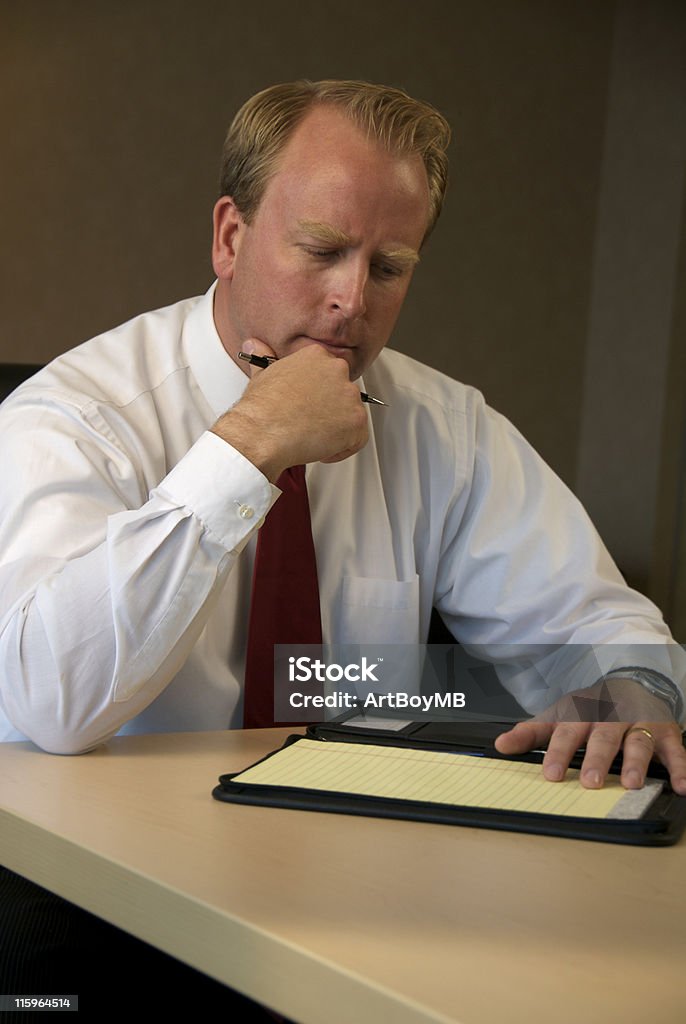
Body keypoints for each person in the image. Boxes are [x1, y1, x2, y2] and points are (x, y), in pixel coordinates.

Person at [0, 78, 684, 797]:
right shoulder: (78, 417)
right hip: (98, 863)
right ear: (231, 238)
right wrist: (248, 448)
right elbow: (52, 707)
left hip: (344, 854)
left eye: (389, 268)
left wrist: (631, 689)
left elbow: (596, 623)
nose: (352, 302)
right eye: (322, 250)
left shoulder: (444, 429)